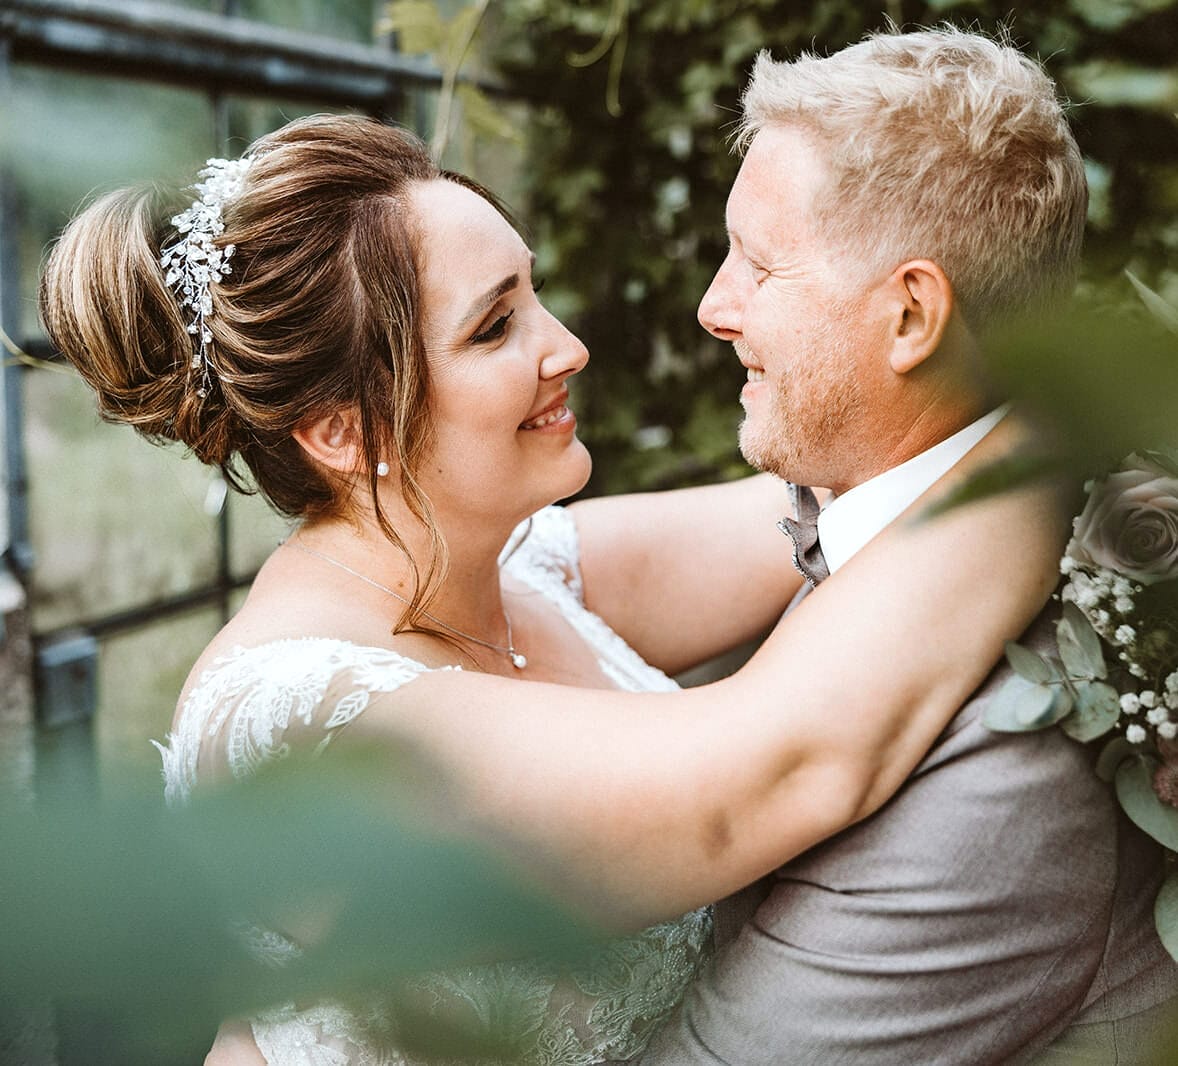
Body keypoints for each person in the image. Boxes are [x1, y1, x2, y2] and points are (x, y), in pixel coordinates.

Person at [41, 113, 1064, 1066]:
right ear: (343, 431)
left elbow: (859, 489)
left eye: (530, 293)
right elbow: (778, 767)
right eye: (494, 329)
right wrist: (1067, 440)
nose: (565, 347)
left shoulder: (519, 567)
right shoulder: (311, 728)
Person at [633, 26, 1178, 1066]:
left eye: (757, 263)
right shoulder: (895, 509)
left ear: (910, 317)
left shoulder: (1003, 765)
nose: (714, 307)